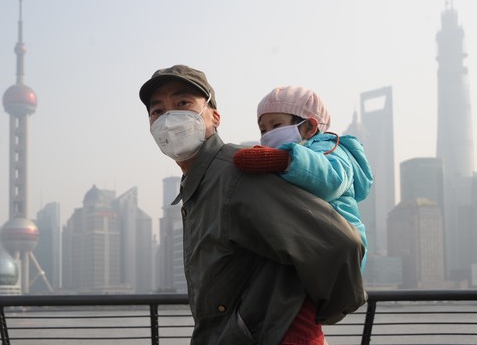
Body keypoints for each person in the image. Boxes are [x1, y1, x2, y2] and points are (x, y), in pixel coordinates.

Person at [139, 64, 366, 345]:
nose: (169, 117)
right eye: (157, 111)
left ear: (214, 116)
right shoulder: (200, 185)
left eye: (183, 103)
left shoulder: (236, 172)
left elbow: (342, 243)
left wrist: (314, 315)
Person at [232, 85, 373, 345]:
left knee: (297, 324)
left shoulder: (331, 148)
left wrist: (284, 160)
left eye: (276, 125)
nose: (267, 135)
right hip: (310, 249)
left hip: (328, 250)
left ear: (309, 127)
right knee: (293, 318)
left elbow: (331, 180)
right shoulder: (302, 151)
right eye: (263, 129)